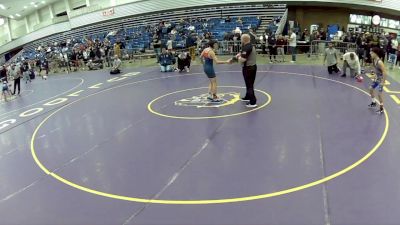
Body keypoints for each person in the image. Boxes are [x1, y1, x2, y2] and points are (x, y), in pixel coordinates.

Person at [236, 34, 258, 107]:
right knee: (249, 84)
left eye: (241, 39)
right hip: (252, 67)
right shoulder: (250, 46)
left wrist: (238, 57)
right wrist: (238, 55)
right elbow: (242, 53)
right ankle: (247, 96)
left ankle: (253, 102)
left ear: (243, 40)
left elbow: (243, 59)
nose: (241, 40)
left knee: (249, 85)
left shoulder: (246, 47)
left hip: (248, 68)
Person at [368, 47, 387, 114]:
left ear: (376, 53)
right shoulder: (373, 60)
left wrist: (383, 82)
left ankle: (381, 109)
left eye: (372, 52)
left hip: (381, 79)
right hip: (377, 78)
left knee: (379, 94)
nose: (370, 53)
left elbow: (384, 72)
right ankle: (373, 102)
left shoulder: (380, 62)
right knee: (370, 89)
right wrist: (375, 74)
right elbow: (377, 69)